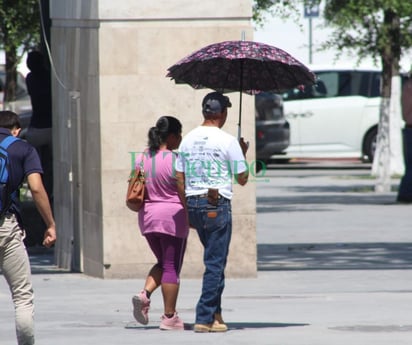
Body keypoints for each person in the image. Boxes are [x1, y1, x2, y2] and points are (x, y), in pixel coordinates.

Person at [175, 92, 249, 332]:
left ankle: (217, 316)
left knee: (216, 260)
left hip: (194, 204)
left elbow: (179, 177)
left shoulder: (187, 139)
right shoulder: (227, 141)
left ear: (204, 112)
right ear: (223, 113)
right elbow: (243, 178)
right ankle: (204, 317)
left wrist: (187, 210)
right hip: (216, 205)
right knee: (215, 264)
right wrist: (242, 153)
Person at [0, 110, 56, 345]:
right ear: (17, 129)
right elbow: (35, 187)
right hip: (6, 228)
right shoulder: (23, 149)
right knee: (22, 297)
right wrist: (50, 225)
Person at [132, 116, 189, 331]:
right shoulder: (176, 160)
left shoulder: (142, 158)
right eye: (179, 134)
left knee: (164, 263)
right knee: (171, 267)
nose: (181, 139)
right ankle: (169, 317)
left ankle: (144, 295)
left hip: (148, 219)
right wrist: (191, 215)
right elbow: (183, 191)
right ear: (172, 136)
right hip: (172, 219)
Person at [25, 50, 53, 202]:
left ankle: (36, 180)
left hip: (36, 127)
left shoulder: (30, 79)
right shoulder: (49, 77)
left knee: (33, 164)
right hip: (51, 126)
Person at [397, 77, 412, 203]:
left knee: (410, 166)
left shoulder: (407, 86)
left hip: (408, 128)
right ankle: (406, 194)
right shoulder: (409, 87)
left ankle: (405, 193)